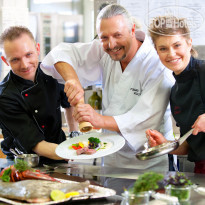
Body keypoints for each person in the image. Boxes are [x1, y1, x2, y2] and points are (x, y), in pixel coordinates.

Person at [41, 4, 175, 171]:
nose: (111, 44)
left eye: (117, 35)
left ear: (132, 30)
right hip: (113, 158)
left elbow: (144, 119)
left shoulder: (156, 64)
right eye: (104, 37)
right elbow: (60, 53)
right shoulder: (105, 51)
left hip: (151, 160)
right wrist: (72, 80)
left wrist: (98, 120)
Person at [0, 26, 77, 165]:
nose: (25, 65)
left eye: (28, 54)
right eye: (15, 59)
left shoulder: (52, 72)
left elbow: (69, 103)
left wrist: (74, 135)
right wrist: (70, 151)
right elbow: (35, 144)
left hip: (60, 155)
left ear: (38, 49)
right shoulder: (5, 96)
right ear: (5, 61)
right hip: (23, 163)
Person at [146, 15, 205, 174]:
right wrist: (165, 145)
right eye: (163, 48)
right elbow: (189, 145)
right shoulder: (175, 92)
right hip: (201, 169)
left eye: (177, 45)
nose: (171, 54)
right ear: (157, 51)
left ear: (189, 43)